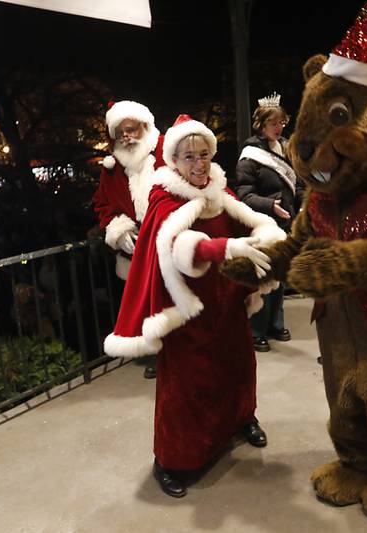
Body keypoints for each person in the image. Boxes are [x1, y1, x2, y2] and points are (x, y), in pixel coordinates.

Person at [103, 114, 286, 498]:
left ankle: (240, 420)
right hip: (188, 315)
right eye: (189, 157)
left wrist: (270, 237)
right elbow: (177, 246)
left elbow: (251, 221)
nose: (199, 164)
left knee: (237, 369)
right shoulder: (164, 199)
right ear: (174, 160)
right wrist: (224, 249)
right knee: (185, 390)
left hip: (229, 305)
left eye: (204, 154)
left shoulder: (221, 193)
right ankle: (172, 460)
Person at [92, 99, 164, 379]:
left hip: (168, 241)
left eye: (131, 129)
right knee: (145, 302)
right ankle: (156, 354)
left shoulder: (165, 152)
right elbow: (102, 205)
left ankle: (179, 350)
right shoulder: (111, 167)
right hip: (135, 248)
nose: (126, 137)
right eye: (120, 132)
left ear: (145, 126)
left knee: (173, 299)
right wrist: (117, 229)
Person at [233, 92, 303, 352]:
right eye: (274, 123)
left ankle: (275, 323)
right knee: (262, 278)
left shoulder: (285, 148)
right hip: (262, 224)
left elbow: (298, 183)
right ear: (261, 124)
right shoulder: (250, 153)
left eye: (282, 122)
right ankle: (256, 330)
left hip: (285, 224)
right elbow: (243, 194)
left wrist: (302, 202)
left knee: (280, 275)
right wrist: (268, 204)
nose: (279, 127)